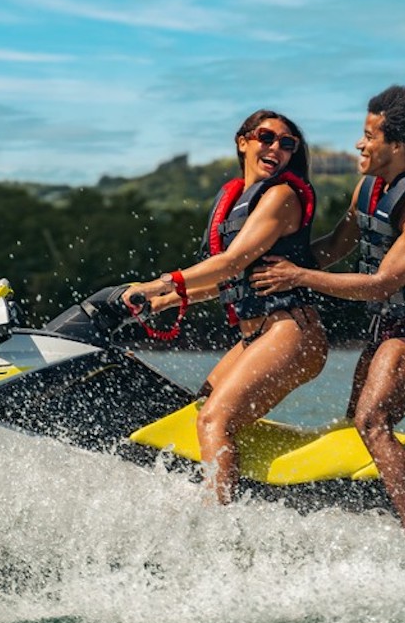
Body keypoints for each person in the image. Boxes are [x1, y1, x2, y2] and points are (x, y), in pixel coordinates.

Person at [251, 86, 405, 542]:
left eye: (369, 136)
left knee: (372, 420)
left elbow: (383, 283)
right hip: (385, 325)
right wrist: (262, 265)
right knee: (356, 424)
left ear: (397, 145)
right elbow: (333, 247)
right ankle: (370, 506)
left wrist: (298, 277)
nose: (359, 144)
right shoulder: (369, 187)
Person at [126, 109, 329, 505]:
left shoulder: (281, 197)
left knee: (214, 419)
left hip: (292, 333)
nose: (276, 148)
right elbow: (228, 281)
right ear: (243, 142)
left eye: (287, 144)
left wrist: (156, 284)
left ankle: (217, 521)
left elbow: (232, 263)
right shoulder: (234, 199)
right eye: (266, 138)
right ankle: (237, 492)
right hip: (258, 336)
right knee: (201, 408)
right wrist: (163, 300)